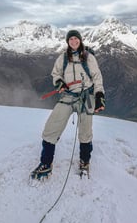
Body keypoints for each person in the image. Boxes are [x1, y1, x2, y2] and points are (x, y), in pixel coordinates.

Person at [31, 29, 105, 179]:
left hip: (87, 96)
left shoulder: (89, 57)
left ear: (80, 40)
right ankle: (46, 163)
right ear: (67, 42)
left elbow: (97, 77)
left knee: (85, 132)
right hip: (69, 95)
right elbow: (56, 74)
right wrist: (59, 83)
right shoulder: (62, 58)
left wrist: (99, 95)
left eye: (76, 39)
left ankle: (85, 162)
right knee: (51, 128)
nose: (73, 41)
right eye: (70, 39)